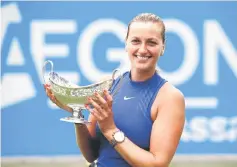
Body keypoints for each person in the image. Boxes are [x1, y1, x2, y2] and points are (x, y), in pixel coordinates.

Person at [44, 13, 185, 167]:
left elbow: (157, 164)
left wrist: (111, 130)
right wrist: (75, 112)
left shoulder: (170, 97)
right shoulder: (109, 86)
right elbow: (91, 154)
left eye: (151, 42)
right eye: (136, 41)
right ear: (126, 44)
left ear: (162, 47)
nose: (143, 49)